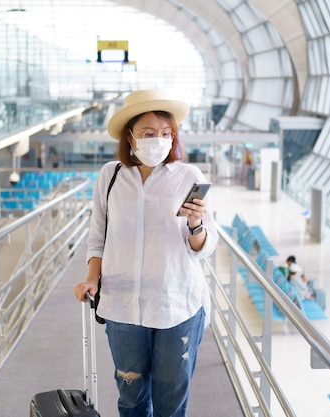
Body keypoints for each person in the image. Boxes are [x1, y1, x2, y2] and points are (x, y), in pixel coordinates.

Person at [73, 89, 219, 417]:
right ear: (130, 136)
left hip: (176, 306)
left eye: (166, 134)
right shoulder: (110, 177)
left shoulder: (188, 176)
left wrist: (196, 223)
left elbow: (205, 248)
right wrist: (91, 278)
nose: (159, 140)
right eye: (149, 134)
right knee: (131, 398)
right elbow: (98, 236)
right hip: (122, 307)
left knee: (170, 402)